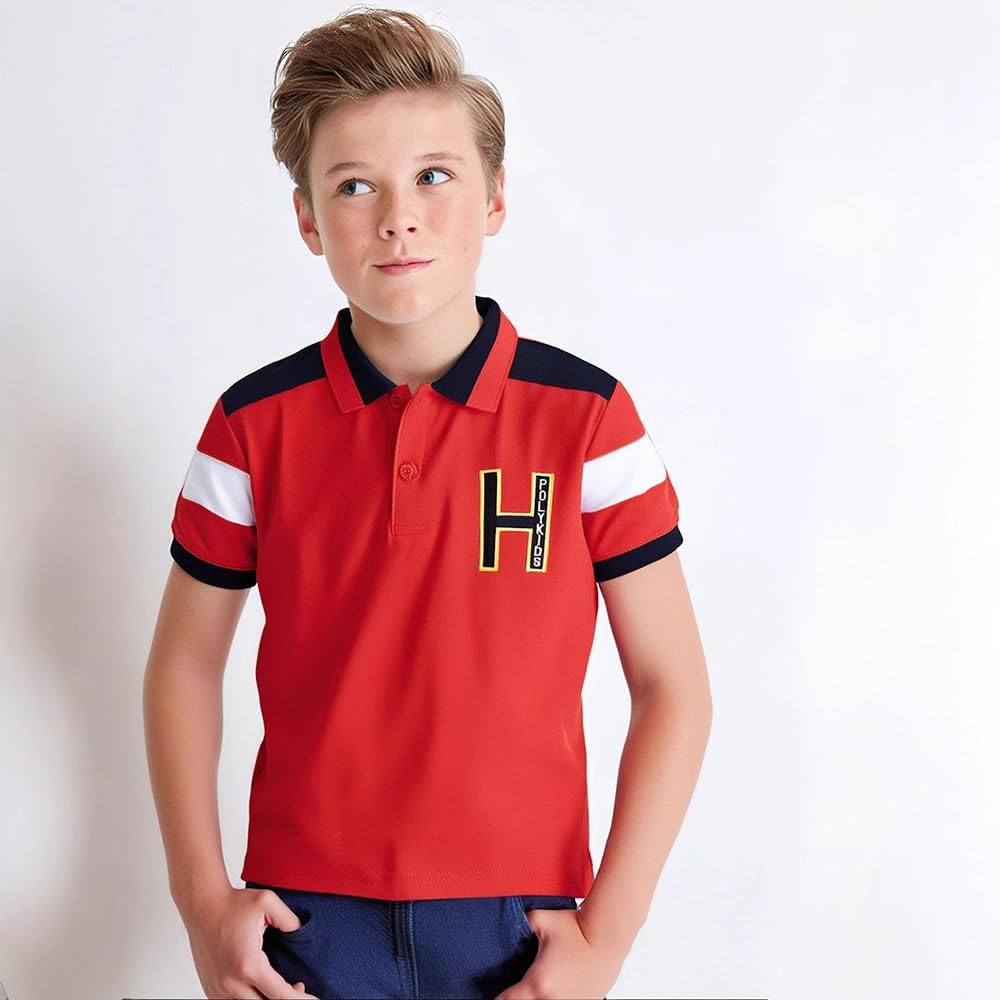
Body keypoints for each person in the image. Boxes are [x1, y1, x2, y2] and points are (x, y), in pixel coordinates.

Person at [143, 6, 712, 999]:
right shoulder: (250, 425)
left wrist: (607, 938)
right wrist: (201, 903)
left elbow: (673, 685)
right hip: (306, 921)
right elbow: (184, 665)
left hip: (518, 923)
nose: (397, 216)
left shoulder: (588, 419)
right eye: (354, 185)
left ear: (495, 198)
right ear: (308, 220)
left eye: (434, 177)